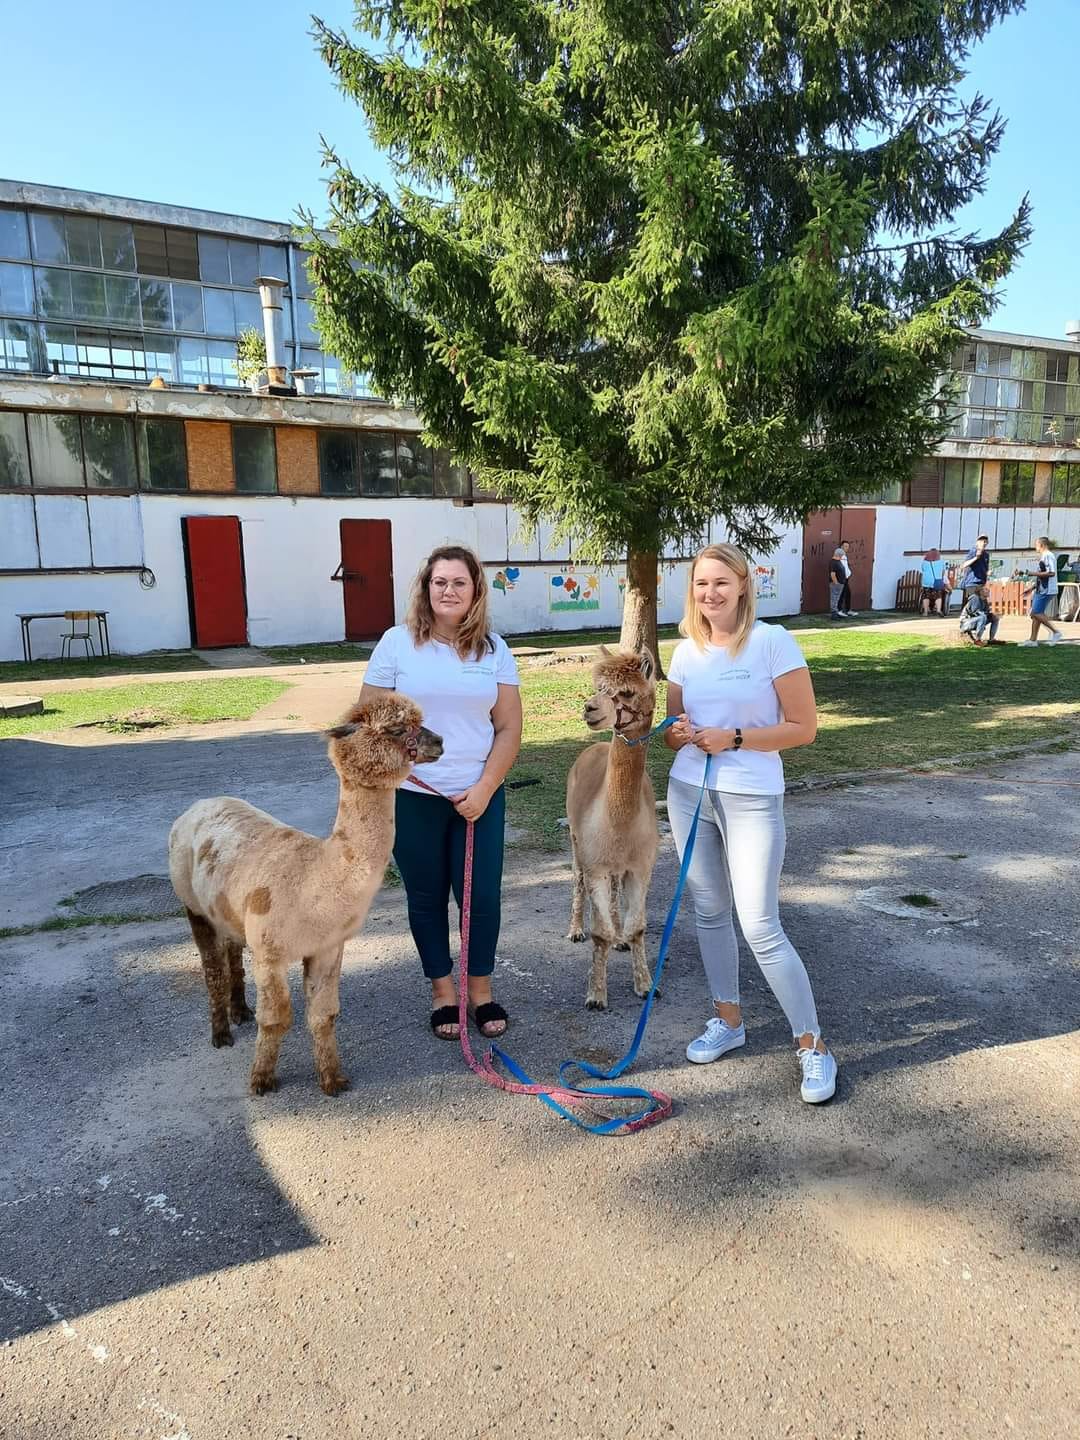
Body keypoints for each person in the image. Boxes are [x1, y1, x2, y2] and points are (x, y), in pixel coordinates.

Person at [663, 543, 838, 1104]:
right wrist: (678, 732)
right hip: (689, 792)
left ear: (742, 585)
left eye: (721, 582)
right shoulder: (685, 650)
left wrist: (734, 738)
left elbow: (804, 727)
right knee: (710, 913)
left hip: (752, 796)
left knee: (760, 924)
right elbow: (671, 727)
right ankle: (728, 1021)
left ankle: (813, 1044)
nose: (710, 593)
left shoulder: (771, 641)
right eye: (701, 583)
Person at [360, 544, 523, 1038]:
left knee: (482, 897)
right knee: (426, 896)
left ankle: (480, 993)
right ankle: (443, 993)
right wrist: (406, 764)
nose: (448, 591)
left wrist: (486, 787)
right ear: (426, 588)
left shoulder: (494, 650)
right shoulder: (396, 644)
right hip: (414, 796)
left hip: (480, 797)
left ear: (475, 591)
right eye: (439, 582)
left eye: (458, 582)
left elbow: (509, 727)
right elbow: (369, 719)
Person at [1017, 536, 1065, 648]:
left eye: (1036, 545)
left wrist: (1030, 573)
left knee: (1034, 613)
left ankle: (1055, 632)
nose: (1035, 548)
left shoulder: (1048, 556)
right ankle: (1033, 640)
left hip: (1046, 589)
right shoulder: (1044, 556)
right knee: (1036, 615)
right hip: (1041, 588)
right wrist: (1032, 588)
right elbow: (1042, 576)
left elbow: (1051, 573)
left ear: (1041, 545)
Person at [958, 534, 991, 601]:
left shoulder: (986, 555)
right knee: (974, 603)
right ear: (977, 542)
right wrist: (976, 558)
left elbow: (985, 568)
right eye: (981, 541)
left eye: (985, 541)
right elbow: (964, 565)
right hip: (972, 583)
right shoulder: (973, 551)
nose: (983, 543)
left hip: (981, 584)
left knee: (983, 605)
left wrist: (987, 572)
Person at [920, 547, 948, 617]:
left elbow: (923, 570)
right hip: (937, 581)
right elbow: (943, 572)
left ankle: (925, 612)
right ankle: (938, 610)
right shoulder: (941, 562)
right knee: (938, 596)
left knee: (926, 596)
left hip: (926, 581)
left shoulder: (924, 562)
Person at [837, 541, 858, 616]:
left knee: (847, 593)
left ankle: (847, 610)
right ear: (841, 546)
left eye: (848, 546)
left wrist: (848, 573)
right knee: (841, 594)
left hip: (845, 578)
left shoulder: (844, 556)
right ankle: (839, 611)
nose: (847, 548)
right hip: (841, 578)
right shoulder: (839, 555)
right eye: (845, 546)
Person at [828, 548, 847, 619]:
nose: (842, 556)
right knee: (834, 598)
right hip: (836, 584)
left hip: (840, 583)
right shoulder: (833, 562)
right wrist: (836, 583)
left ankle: (836, 612)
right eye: (842, 555)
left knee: (836, 598)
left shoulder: (837, 561)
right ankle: (834, 613)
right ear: (839, 555)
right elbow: (832, 574)